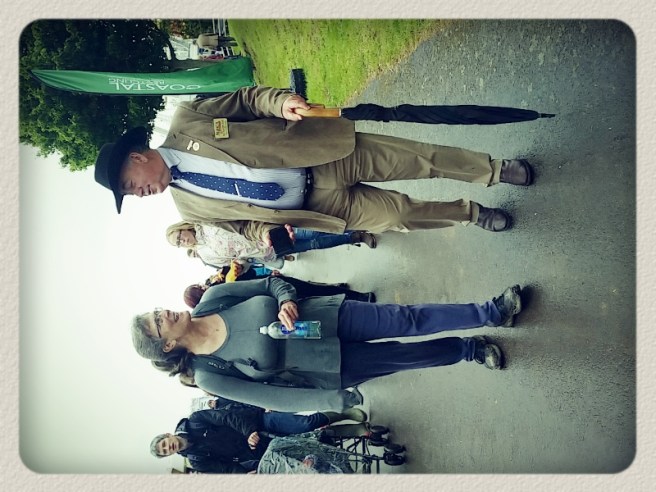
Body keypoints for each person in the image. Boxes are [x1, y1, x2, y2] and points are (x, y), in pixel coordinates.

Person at [94, 86, 534, 239]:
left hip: (323, 156)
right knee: (399, 216)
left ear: (137, 157)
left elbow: (248, 100)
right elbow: (243, 226)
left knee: (419, 159)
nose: (140, 194)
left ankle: (494, 170)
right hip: (320, 208)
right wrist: (266, 236)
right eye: (131, 195)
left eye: (130, 185)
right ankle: (471, 213)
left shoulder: (188, 119)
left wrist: (280, 101)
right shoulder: (188, 208)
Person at [131, 277, 524, 412]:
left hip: (329, 316)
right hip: (329, 367)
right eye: (157, 322)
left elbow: (271, 283)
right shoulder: (208, 374)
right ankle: (469, 350)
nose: (163, 313)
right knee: (408, 357)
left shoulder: (213, 298)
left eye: (156, 311)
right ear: (166, 346)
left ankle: (492, 311)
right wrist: (331, 401)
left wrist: (285, 299)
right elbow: (274, 398)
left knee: (407, 318)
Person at [150, 405, 367, 474]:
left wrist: (249, 431)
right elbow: (226, 469)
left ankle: (342, 414)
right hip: (256, 452)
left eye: (165, 443)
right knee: (307, 452)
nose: (170, 447)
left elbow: (227, 417)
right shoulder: (196, 461)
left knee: (305, 425)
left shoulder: (195, 420)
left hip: (257, 423)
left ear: (168, 435)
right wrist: (246, 474)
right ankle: (352, 431)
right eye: (166, 451)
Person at [165, 220, 376, 270]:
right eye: (178, 243)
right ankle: (355, 237)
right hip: (267, 251)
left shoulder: (205, 222)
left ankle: (362, 222)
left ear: (182, 228)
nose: (182, 241)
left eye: (179, 236)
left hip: (269, 231)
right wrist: (240, 267)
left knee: (312, 231)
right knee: (315, 243)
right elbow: (240, 263)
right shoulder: (207, 256)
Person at [183, 272, 375, 308]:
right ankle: (360, 298)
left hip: (274, 296)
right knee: (317, 292)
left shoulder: (217, 290)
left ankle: (356, 297)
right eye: (198, 289)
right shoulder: (218, 289)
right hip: (274, 290)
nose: (202, 286)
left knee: (317, 294)